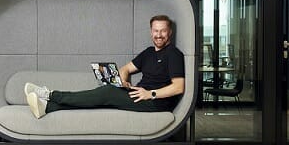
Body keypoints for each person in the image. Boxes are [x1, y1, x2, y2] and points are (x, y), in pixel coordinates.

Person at [25, 15, 185, 119]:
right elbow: (126, 69)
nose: (159, 35)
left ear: (169, 32)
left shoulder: (173, 54)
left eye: (163, 31)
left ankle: (50, 94)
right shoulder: (149, 52)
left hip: (155, 103)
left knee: (107, 92)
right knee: (103, 94)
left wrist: (151, 94)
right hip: (138, 94)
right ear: (151, 32)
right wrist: (123, 82)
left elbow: (179, 87)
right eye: (156, 31)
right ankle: (47, 107)